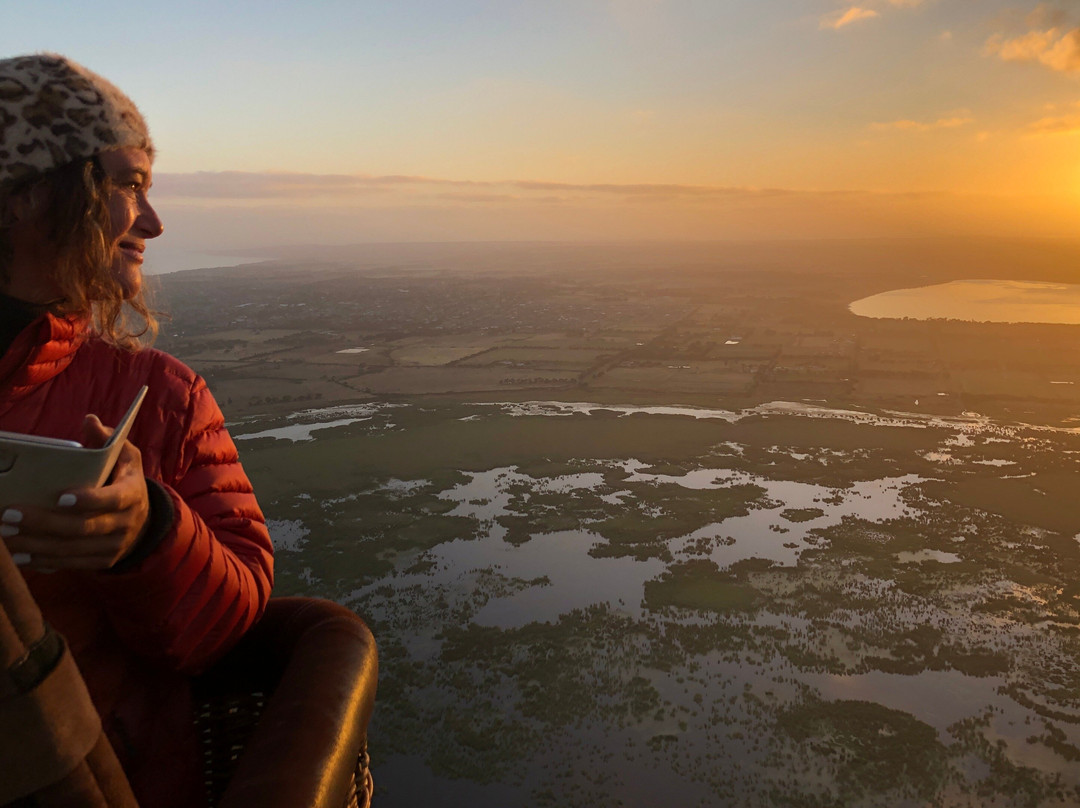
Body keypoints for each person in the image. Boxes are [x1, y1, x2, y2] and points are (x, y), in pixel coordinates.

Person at [0, 54, 274, 806]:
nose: (152, 222)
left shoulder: (159, 398)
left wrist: (149, 533)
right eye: (128, 185)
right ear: (25, 196)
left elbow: (231, 623)